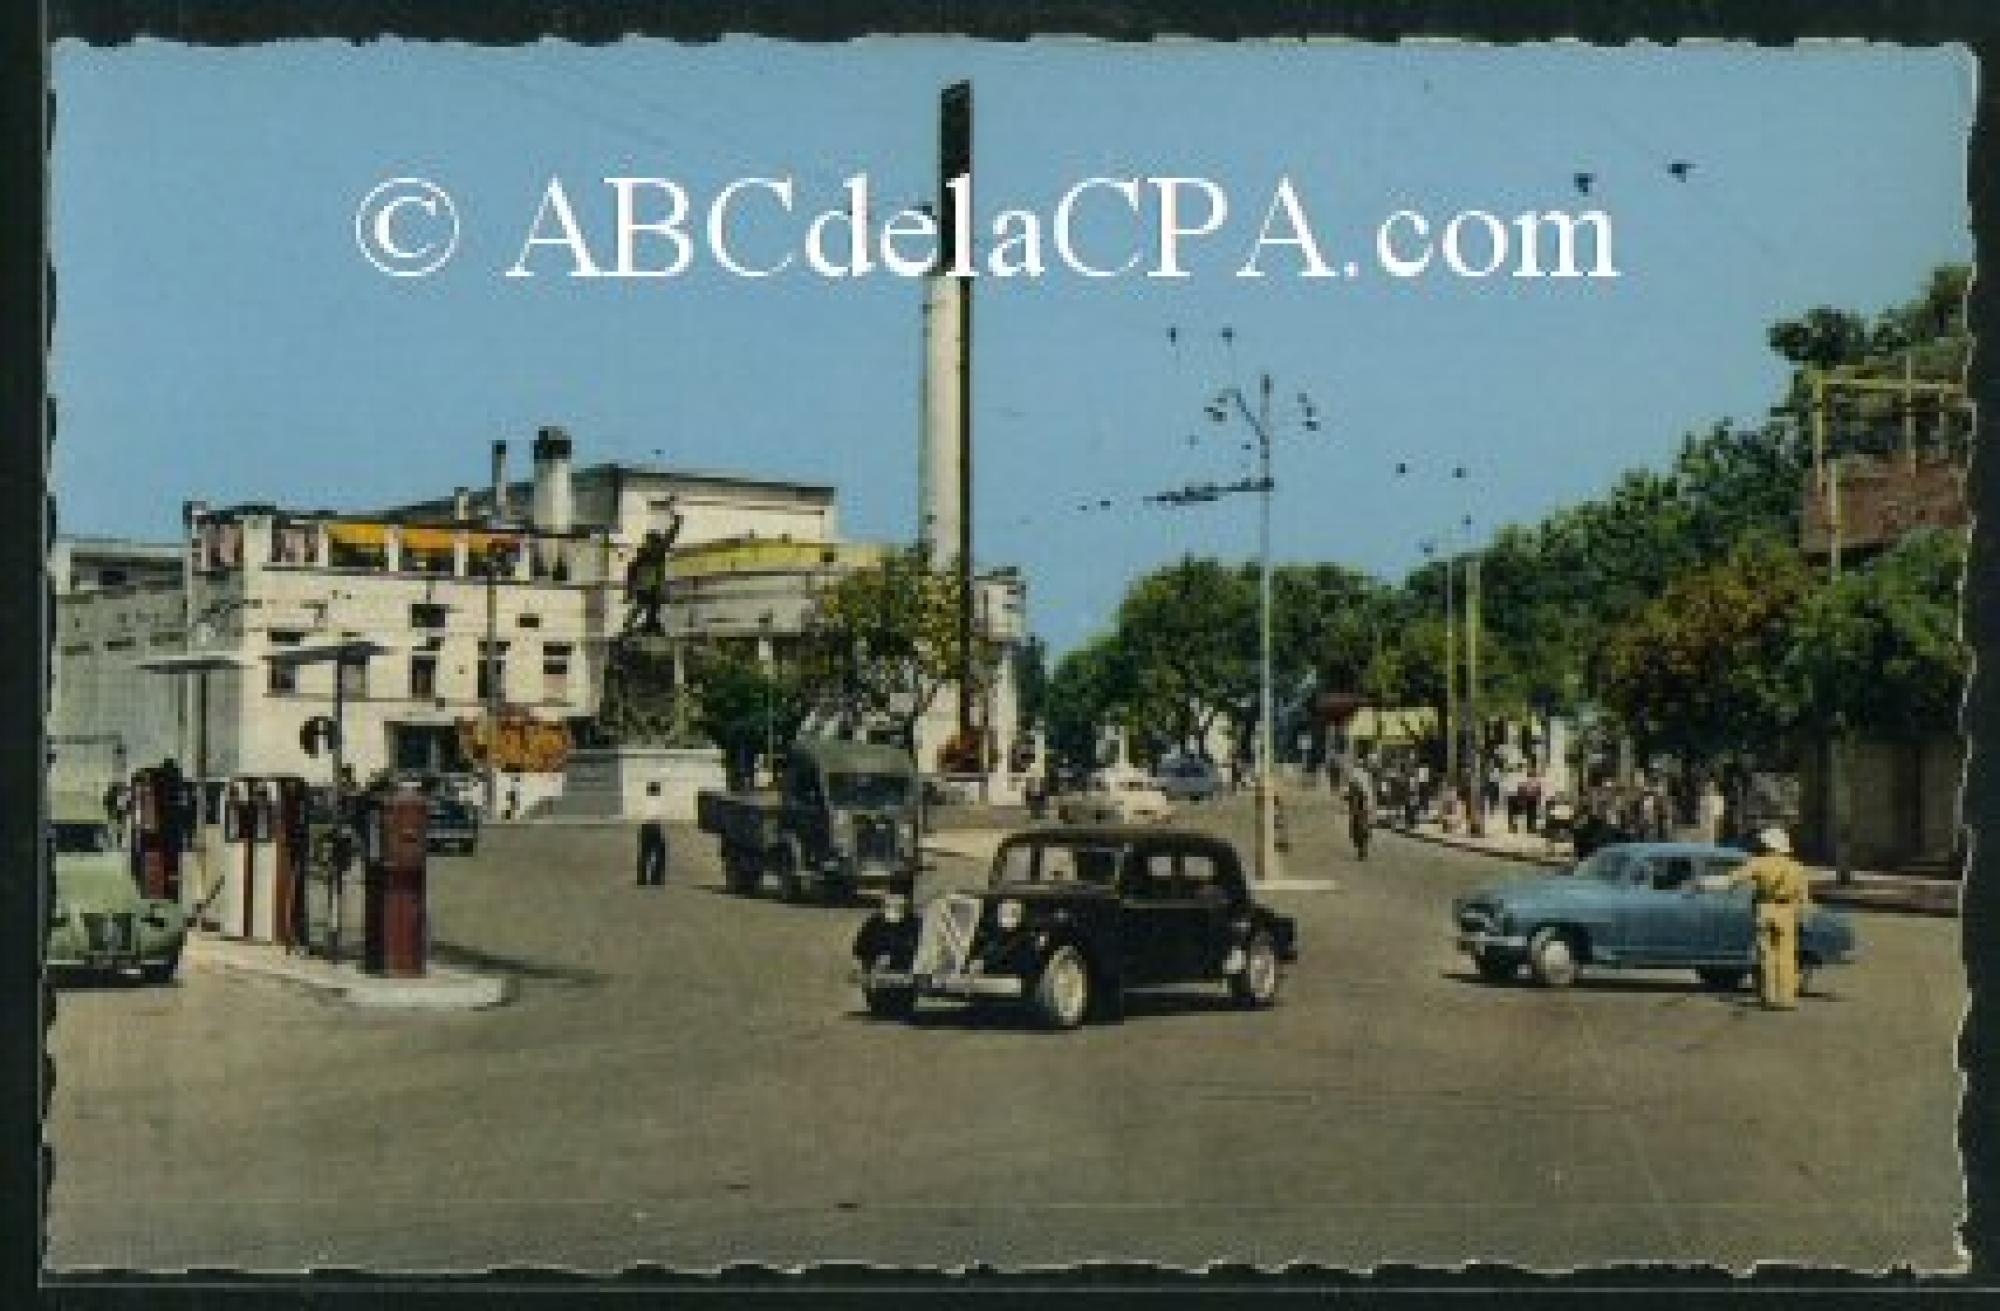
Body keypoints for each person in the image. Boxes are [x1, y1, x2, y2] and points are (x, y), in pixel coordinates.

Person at [1728, 826, 1812, 1010]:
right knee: (1787, 956)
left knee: (1766, 954)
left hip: (1765, 908)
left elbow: (1734, 879)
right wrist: (1804, 917)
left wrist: (1707, 883)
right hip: (1787, 911)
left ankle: (1769, 996)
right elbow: (1804, 897)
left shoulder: (1758, 863)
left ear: (1767, 845)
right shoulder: (1797, 867)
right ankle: (1787, 998)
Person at [636, 785, 669, 887]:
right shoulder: (660, 802)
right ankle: (656, 879)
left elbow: (639, 814)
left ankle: (642, 879)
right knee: (659, 853)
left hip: (645, 826)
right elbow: (662, 815)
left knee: (644, 853)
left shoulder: (643, 801)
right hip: (655, 827)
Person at [1345, 772, 1374, 860]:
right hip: (1359, 817)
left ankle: (1362, 852)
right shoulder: (1356, 796)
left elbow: (1362, 807)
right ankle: (1362, 851)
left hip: (1359, 817)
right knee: (1359, 835)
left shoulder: (1358, 796)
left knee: (1359, 834)